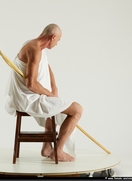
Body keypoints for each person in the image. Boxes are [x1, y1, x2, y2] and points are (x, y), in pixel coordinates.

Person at [5, 23, 83, 162]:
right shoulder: (34, 49)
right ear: (53, 37)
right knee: (77, 109)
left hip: (35, 94)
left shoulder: (35, 45)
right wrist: (49, 94)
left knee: (56, 104)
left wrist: (54, 88)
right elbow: (31, 84)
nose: (57, 43)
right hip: (28, 98)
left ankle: (47, 147)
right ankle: (58, 151)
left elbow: (46, 65)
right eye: (58, 40)